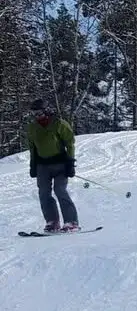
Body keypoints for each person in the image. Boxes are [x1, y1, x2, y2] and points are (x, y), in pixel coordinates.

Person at [27, 98, 80, 232]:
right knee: (44, 193)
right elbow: (32, 147)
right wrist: (33, 165)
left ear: (47, 111)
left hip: (60, 164)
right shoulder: (33, 127)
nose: (37, 117)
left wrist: (71, 163)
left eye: (39, 113)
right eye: (34, 114)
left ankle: (71, 221)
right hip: (42, 166)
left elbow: (70, 143)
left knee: (60, 190)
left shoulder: (59, 124)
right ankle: (52, 222)